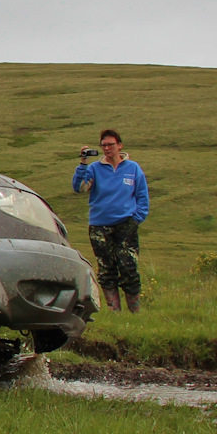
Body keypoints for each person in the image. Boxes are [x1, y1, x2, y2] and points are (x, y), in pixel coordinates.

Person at [72, 128, 149, 312]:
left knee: (129, 267)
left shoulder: (132, 168)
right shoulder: (94, 169)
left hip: (126, 224)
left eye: (110, 145)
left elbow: (142, 196)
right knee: (106, 269)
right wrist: (83, 164)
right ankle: (115, 312)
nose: (107, 148)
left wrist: (136, 219)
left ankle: (135, 313)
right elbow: (81, 188)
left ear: (119, 145)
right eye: (104, 145)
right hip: (100, 225)